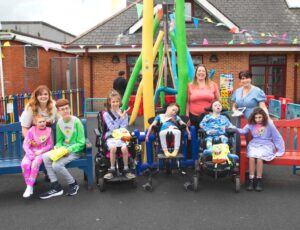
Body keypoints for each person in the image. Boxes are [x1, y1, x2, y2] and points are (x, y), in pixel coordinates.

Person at [39, 99, 85, 199]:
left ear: (70, 109)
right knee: (45, 156)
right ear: (58, 112)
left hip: (75, 151)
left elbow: (81, 143)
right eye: (62, 109)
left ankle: (73, 184)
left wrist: (69, 150)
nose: (65, 111)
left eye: (67, 108)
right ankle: (56, 186)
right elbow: (59, 141)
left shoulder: (77, 122)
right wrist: (58, 147)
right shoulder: (59, 122)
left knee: (56, 165)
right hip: (63, 150)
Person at [235, 108, 285, 192]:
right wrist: (235, 129)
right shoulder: (251, 124)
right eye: (256, 118)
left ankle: (258, 180)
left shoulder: (269, 124)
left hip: (267, 144)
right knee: (251, 157)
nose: (258, 120)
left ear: (264, 117)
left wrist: (280, 149)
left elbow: (277, 136)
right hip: (254, 144)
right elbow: (243, 131)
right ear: (253, 118)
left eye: (260, 117)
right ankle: (251, 180)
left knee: (259, 158)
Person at [103, 90, 135, 180]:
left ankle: (126, 169)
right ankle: (112, 170)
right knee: (113, 148)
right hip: (111, 136)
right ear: (110, 102)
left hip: (121, 135)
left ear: (120, 102)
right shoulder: (106, 114)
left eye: (117, 101)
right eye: (113, 102)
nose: (115, 104)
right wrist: (120, 117)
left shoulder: (124, 113)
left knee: (124, 148)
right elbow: (112, 129)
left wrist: (122, 116)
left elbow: (123, 128)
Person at [21, 115, 53, 198]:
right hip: (30, 152)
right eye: (40, 122)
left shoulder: (48, 131)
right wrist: (30, 154)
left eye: (43, 121)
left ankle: (29, 187)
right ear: (35, 123)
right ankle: (30, 185)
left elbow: (49, 145)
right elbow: (25, 144)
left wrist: (41, 151)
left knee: (35, 163)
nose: (42, 123)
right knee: (25, 164)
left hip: (41, 153)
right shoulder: (31, 131)